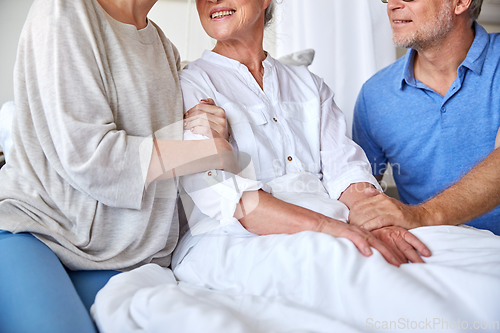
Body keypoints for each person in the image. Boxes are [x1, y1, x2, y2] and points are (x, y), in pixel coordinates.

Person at [0, 0, 235, 332]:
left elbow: (154, 148)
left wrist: (191, 126)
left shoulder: (164, 47)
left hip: (127, 259)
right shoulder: (65, 9)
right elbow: (91, 157)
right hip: (35, 232)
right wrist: (208, 153)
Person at [351, 0, 500, 235]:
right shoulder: (374, 95)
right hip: (431, 255)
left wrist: (422, 216)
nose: (391, 5)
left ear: (460, 2)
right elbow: (361, 191)